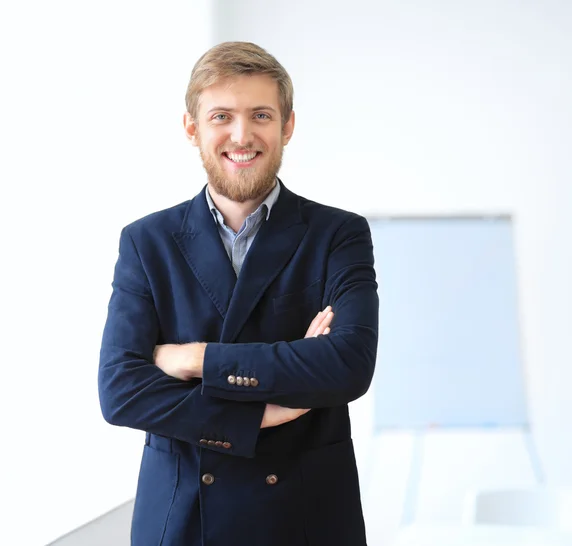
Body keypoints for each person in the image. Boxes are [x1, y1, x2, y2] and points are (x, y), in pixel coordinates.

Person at [99, 41, 379, 546]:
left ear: (287, 125)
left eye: (261, 115)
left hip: (306, 515)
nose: (241, 134)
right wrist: (259, 412)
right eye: (222, 115)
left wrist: (193, 358)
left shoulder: (338, 234)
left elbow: (348, 365)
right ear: (192, 128)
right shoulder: (146, 242)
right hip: (183, 518)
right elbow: (121, 391)